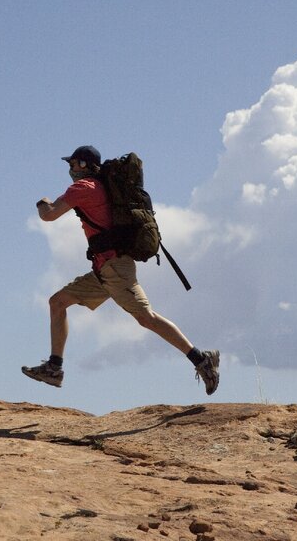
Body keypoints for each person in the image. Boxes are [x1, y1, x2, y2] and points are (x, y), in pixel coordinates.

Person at [22, 145, 220, 395]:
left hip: (114, 269)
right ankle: (54, 368)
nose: (70, 169)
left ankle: (202, 360)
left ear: (84, 166)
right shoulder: (103, 187)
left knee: (146, 317)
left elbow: (48, 215)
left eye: (72, 164)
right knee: (58, 302)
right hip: (104, 269)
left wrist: (42, 201)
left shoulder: (83, 188)